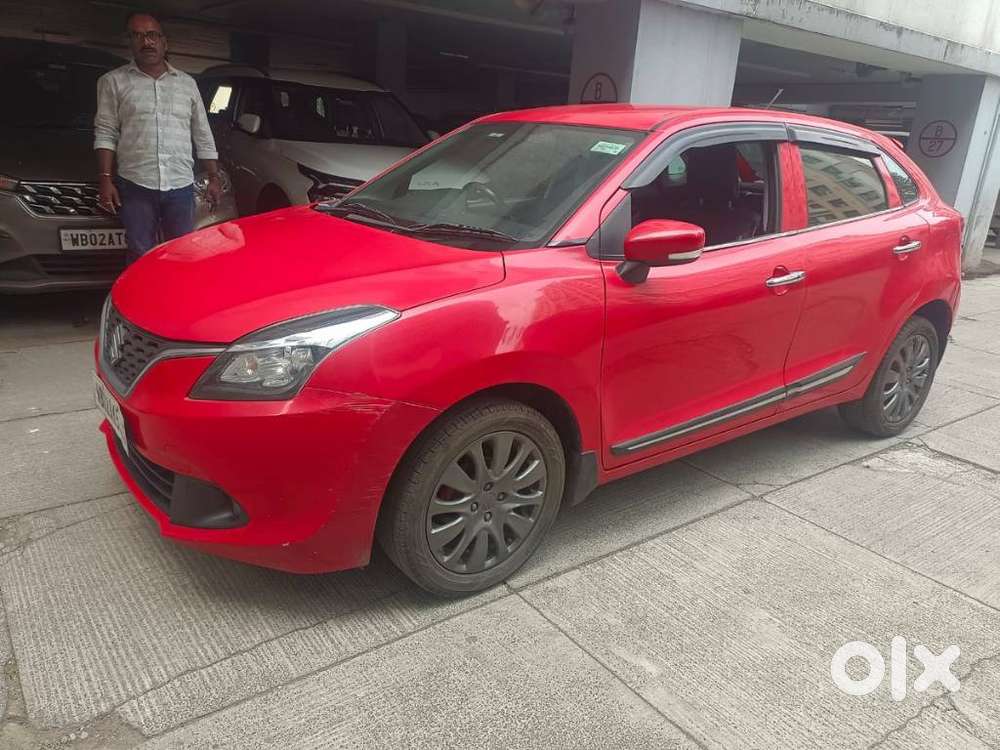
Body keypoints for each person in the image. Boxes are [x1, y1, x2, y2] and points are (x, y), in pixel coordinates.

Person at [94, 12, 221, 265]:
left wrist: (213, 177)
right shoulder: (112, 82)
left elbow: (202, 133)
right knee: (141, 252)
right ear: (130, 42)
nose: (147, 42)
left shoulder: (187, 84)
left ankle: (177, 301)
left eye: (152, 35)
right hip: (136, 184)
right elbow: (106, 131)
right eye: (138, 36)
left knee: (182, 251)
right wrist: (105, 179)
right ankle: (144, 302)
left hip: (181, 185)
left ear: (164, 42)